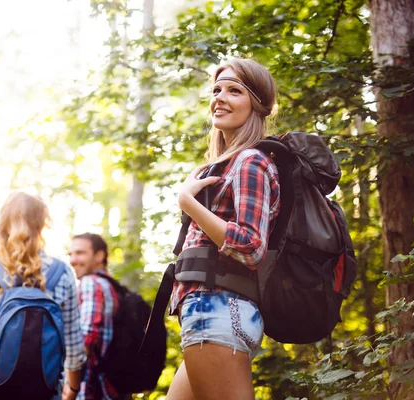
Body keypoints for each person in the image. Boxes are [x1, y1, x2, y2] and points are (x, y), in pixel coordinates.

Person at [166, 58, 281, 400]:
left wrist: (189, 204)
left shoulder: (251, 161)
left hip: (218, 310)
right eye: (216, 90)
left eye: (234, 90)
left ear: (257, 104)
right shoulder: (226, 164)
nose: (220, 97)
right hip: (207, 311)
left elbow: (250, 245)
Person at [0, 192, 86, 400]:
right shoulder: (62, 274)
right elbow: (75, 350)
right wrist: (73, 391)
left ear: (2, 223)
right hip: (44, 391)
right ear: (41, 224)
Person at [68, 233, 125, 400]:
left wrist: (71, 388)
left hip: (91, 389)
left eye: (80, 253)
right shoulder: (111, 286)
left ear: (99, 255)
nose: (72, 259)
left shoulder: (91, 283)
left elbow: (87, 337)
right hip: (113, 388)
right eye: (70, 254)